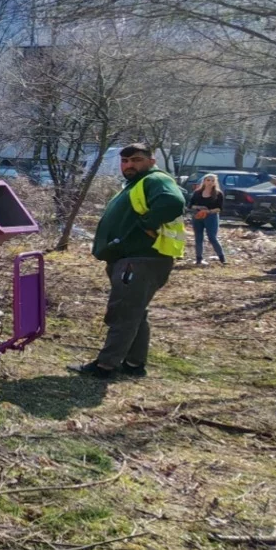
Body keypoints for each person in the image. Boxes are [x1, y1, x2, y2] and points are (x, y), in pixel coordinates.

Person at [69, 143, 186, 378]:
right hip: (134, 259)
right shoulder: (136, 184)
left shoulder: (155, 179)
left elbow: (173, 202)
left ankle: (105, 366)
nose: (129, 164)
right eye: (125, 161)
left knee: (123, 313)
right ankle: (134, 364)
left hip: (141, 260)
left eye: (136, 159)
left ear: (151, 161)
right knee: (135, 313)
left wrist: (145, 225)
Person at [188, 173, 226, 266]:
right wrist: (200, 208)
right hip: (198, 216)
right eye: (208, 180)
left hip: (211, 217)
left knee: (212, 237)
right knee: (198, 237)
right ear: (204, 181)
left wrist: (208, 211)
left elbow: (219, 208)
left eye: (212, 181)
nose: (210, 182)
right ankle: (199, 258)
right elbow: (190, 205)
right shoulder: (197, 193)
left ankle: (222, 258)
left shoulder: (218, 194)